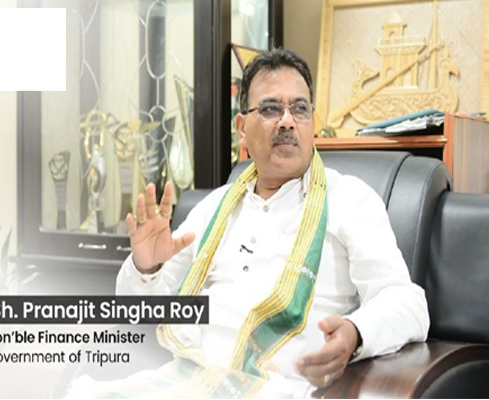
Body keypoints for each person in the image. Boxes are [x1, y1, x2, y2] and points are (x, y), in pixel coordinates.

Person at [113, 48, 429, 398]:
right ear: (241, 129)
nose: (287, 121)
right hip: (185, 382)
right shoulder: (214, 207)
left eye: (300, 109)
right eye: (270, 109)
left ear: (312, 123)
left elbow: (407, 303)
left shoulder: (351, 199)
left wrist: (355, 334)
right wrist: (146, 267)